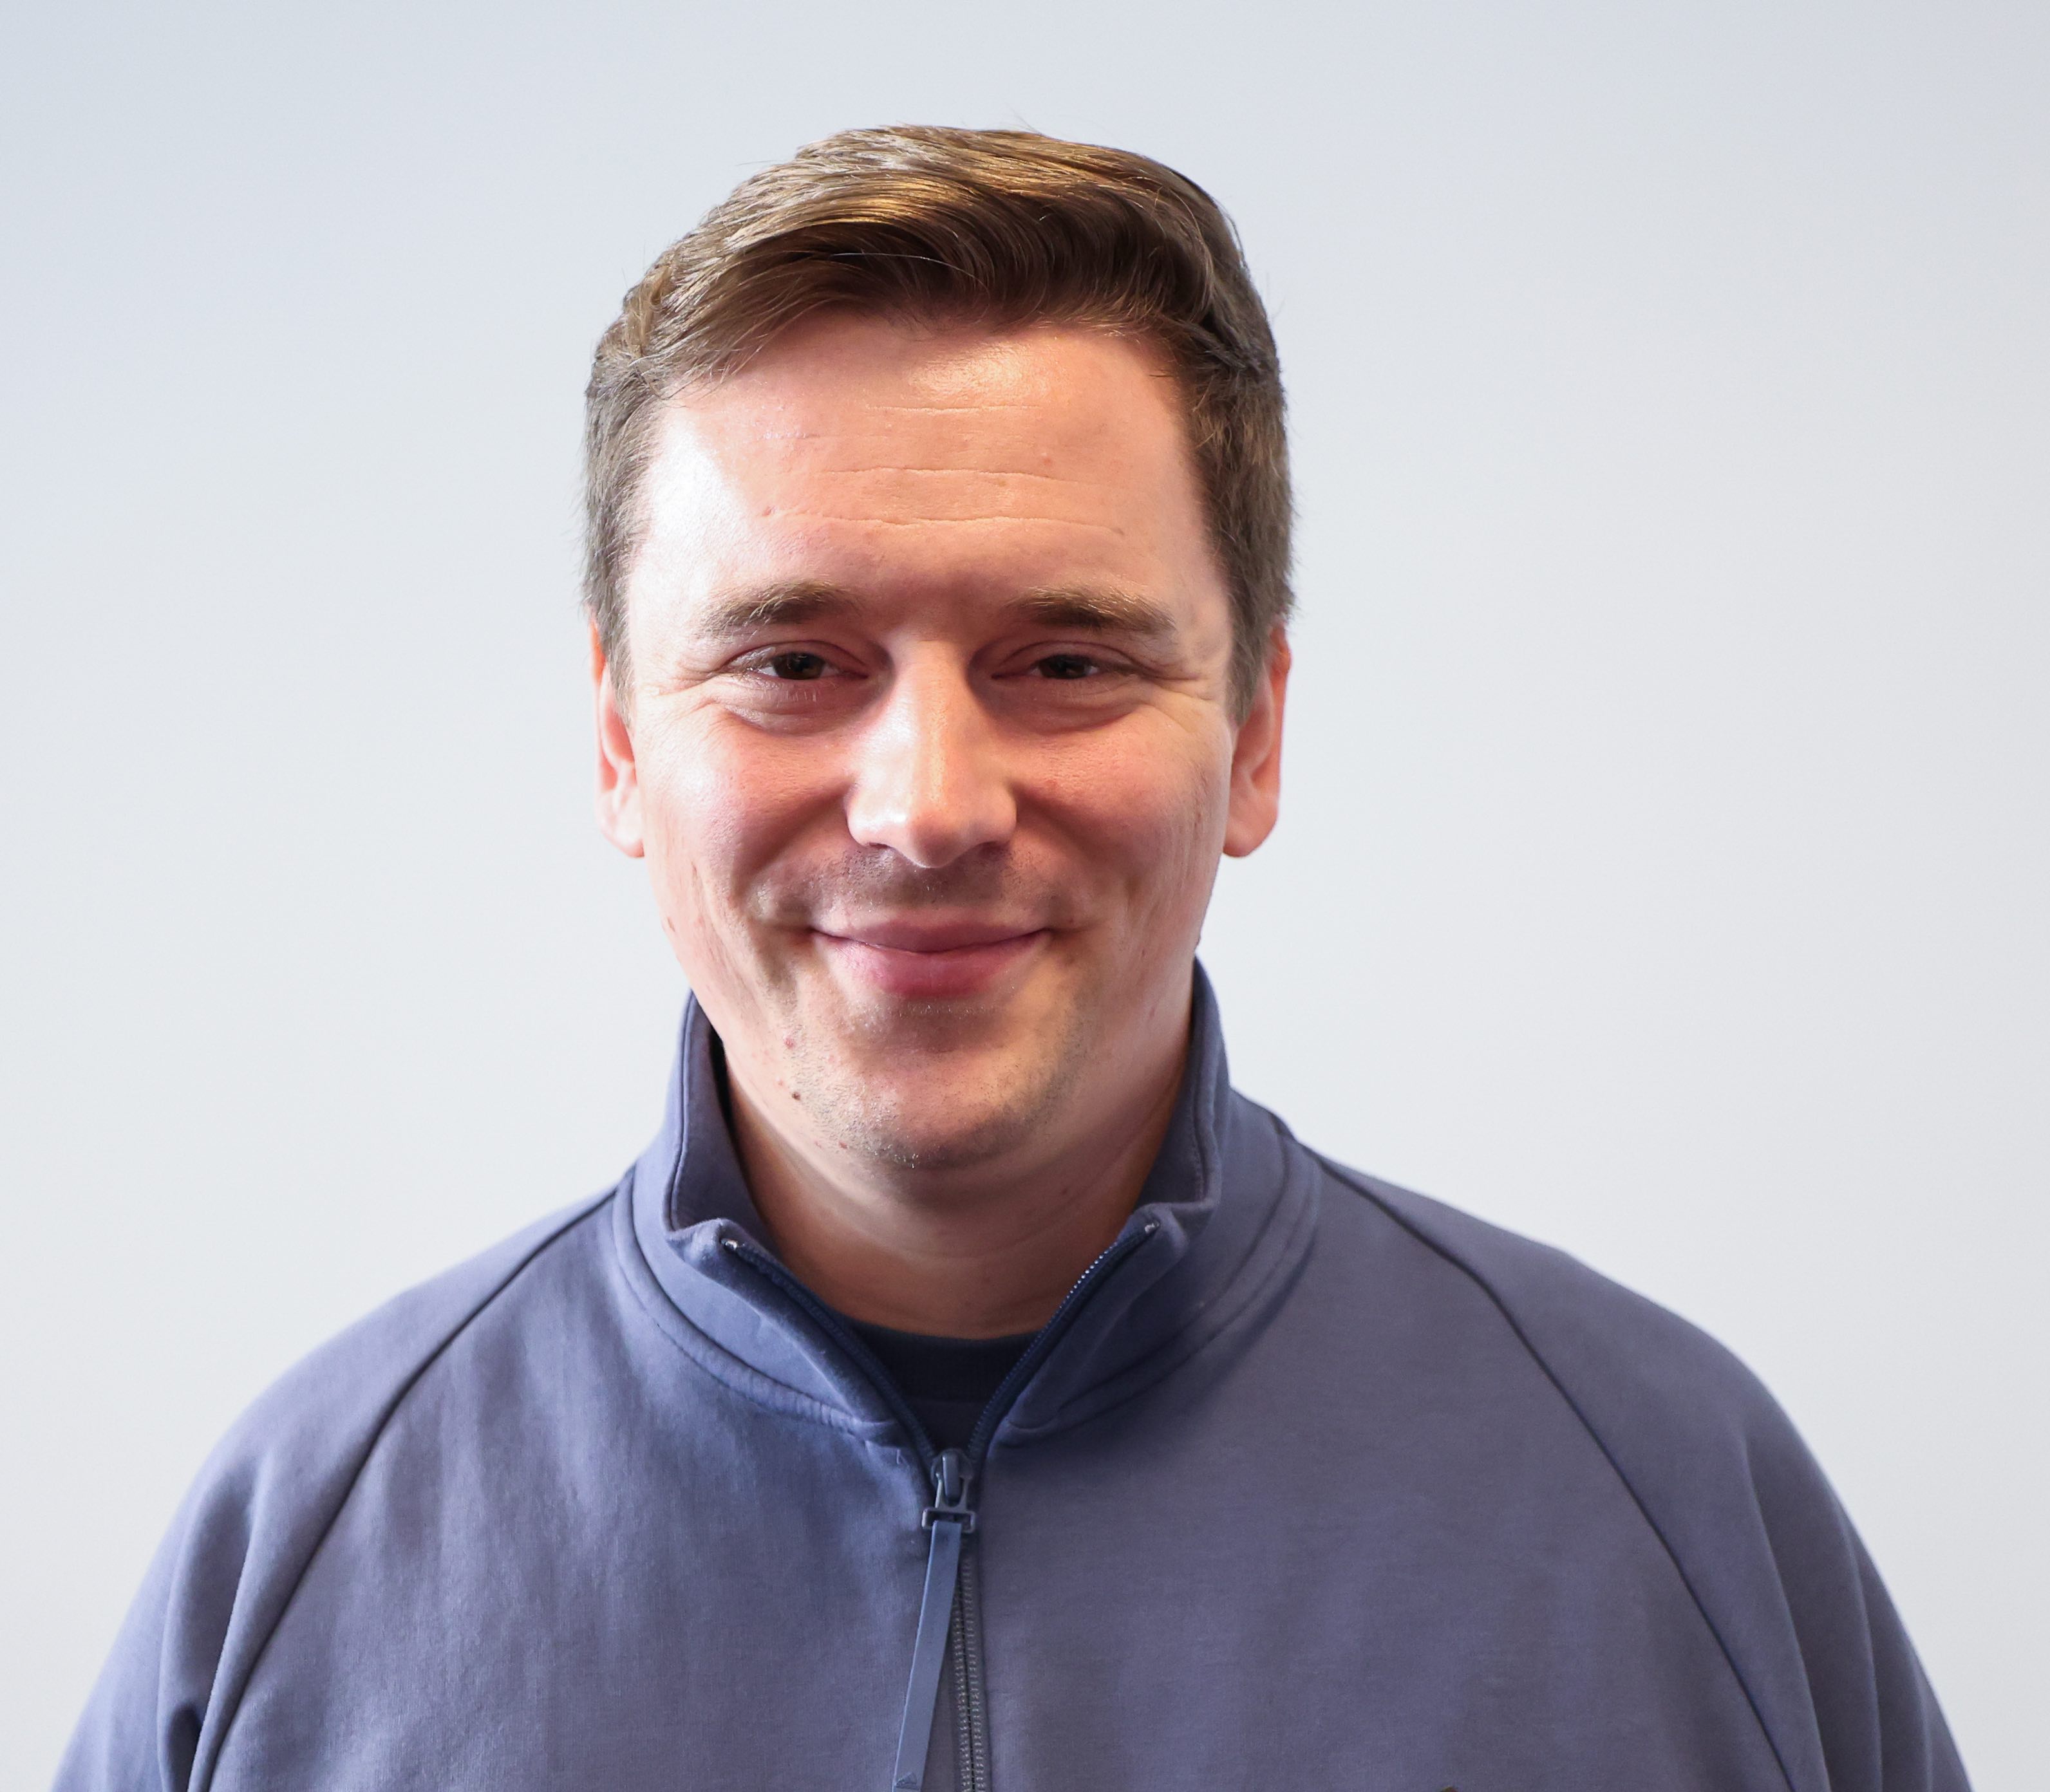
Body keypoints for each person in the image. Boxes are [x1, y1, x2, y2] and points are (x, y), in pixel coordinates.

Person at [57, 126, 1967, 1792]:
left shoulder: (1670, 1501)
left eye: (1065, 661)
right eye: (792, 663)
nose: (929, 805)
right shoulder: (301, 1553)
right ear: (623, 741)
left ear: (1256, 735)